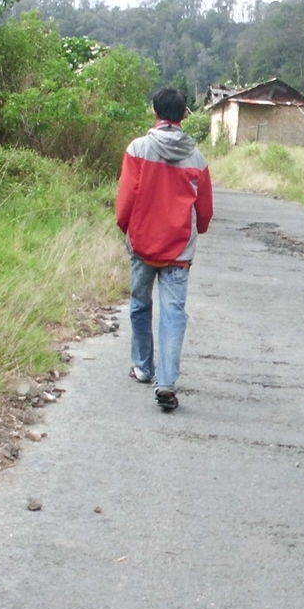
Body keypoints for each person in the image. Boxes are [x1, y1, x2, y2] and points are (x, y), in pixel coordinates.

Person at [115, 86, 214, 412]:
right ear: (184, 114)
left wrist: (125, 226)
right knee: (173, 313)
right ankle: (167, 382)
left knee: (140, 304)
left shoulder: (138, 149)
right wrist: (198, 228)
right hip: (179, 249)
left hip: (143, 242)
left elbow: (126, 199)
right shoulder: (197, 158)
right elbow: (205, 211)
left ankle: (143, 367)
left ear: (154, 111)